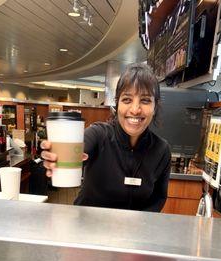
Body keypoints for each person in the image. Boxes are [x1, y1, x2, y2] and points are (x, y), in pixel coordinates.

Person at [41, 63, 171, 212]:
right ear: (117, 104)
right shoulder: (98, 135)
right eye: (127, 100)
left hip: (132, 232)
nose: (135, 109)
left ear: (155, 106)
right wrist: (56, 157)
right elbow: (80, 146)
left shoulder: (161, 150)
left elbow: (158, 200)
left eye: (145, 100)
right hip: (87, 228)